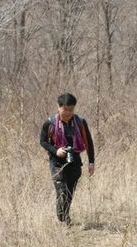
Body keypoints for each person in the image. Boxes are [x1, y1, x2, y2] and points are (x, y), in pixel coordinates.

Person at [39, 93, 95, 226]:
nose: (68, 112)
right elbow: (42, 141)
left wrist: (91, 162)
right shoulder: (50, 122)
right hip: (57, 162)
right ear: (58, 107)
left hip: (74, 161)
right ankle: (61, 217)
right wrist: (56, 151)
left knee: (69, 191)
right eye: (65, 109)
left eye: (71, 109)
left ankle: (66, 216)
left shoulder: (80, 122)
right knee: (62, 190)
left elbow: (89, 142)